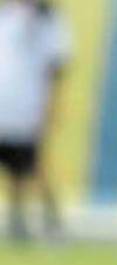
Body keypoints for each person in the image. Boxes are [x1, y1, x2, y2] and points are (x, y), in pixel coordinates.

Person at [0, 0, 69, 242]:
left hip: (27, 105)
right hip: (4, 105)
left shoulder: (46, 18)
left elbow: (57, 63)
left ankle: (53, 220)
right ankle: (16, 221)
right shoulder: (6, 14)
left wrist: (51, 105)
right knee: (12, 170)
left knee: (33, 166)